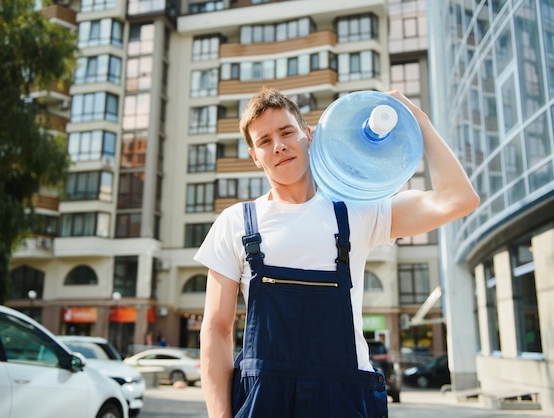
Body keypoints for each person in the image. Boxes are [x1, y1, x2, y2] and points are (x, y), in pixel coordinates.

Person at [194, 87, 479, 418]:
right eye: (265, 141)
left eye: (287, 132)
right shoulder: (236, 223)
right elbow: (216, 328)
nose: (279, 146)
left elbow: (459, 199)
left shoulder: (357, 214)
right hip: (262, 401)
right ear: (254, 156)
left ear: (309, 135)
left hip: (344, 399)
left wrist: (421, 124)